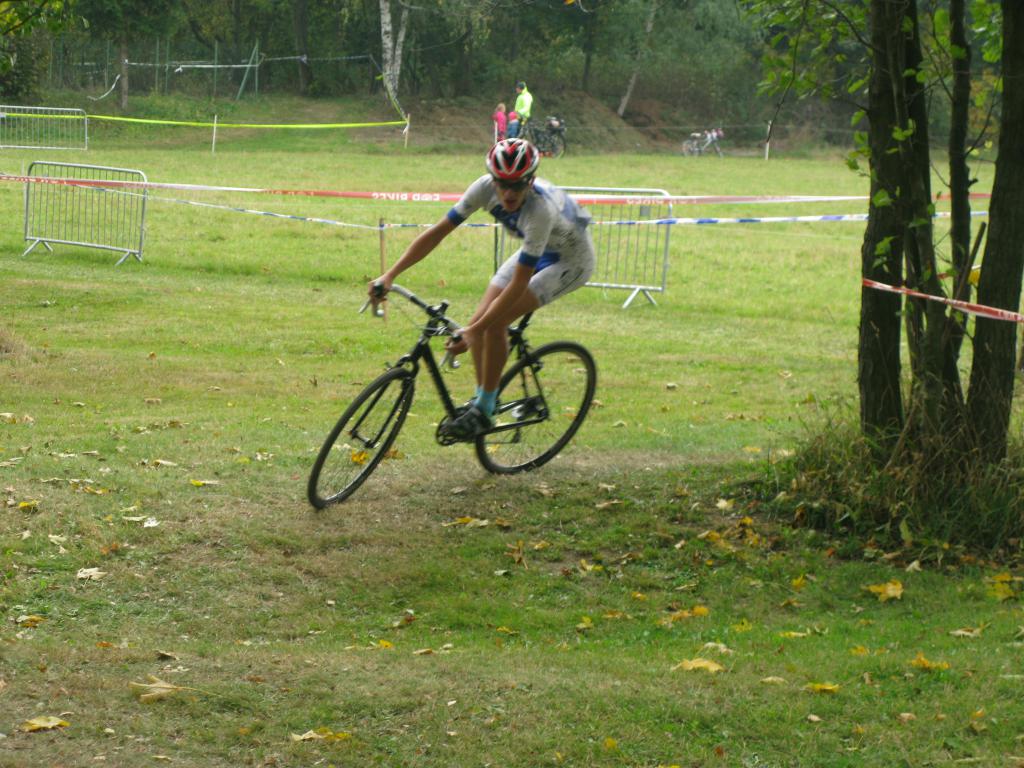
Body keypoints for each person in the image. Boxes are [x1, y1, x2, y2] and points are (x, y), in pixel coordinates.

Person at [368, 138, 595, 441]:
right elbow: (437, 233)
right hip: (541, 250)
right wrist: (390, 275)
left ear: (531, 181)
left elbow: (518, 284)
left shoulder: (540, 211)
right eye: (503, 184)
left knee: (492, 324)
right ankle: (484, 400)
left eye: (517, 185)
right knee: (479, 320)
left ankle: (485, 409)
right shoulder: (483, 188)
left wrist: (475, 331)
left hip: (571, 261)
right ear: (493, 179)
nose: (508, 193)